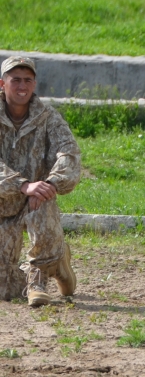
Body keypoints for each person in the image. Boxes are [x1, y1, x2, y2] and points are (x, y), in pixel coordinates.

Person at [0, 56, 80, 307]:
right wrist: (21, 185)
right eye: (15, 80)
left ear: (34, 84)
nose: (22, 86)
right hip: (3, 200)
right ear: (2, 84)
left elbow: (69, 152)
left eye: (28, 80)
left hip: (37, 200)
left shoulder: (48, 117)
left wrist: (53, 183)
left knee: (43, 201)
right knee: (7, 290)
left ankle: (39, 279)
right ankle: (59, 264)